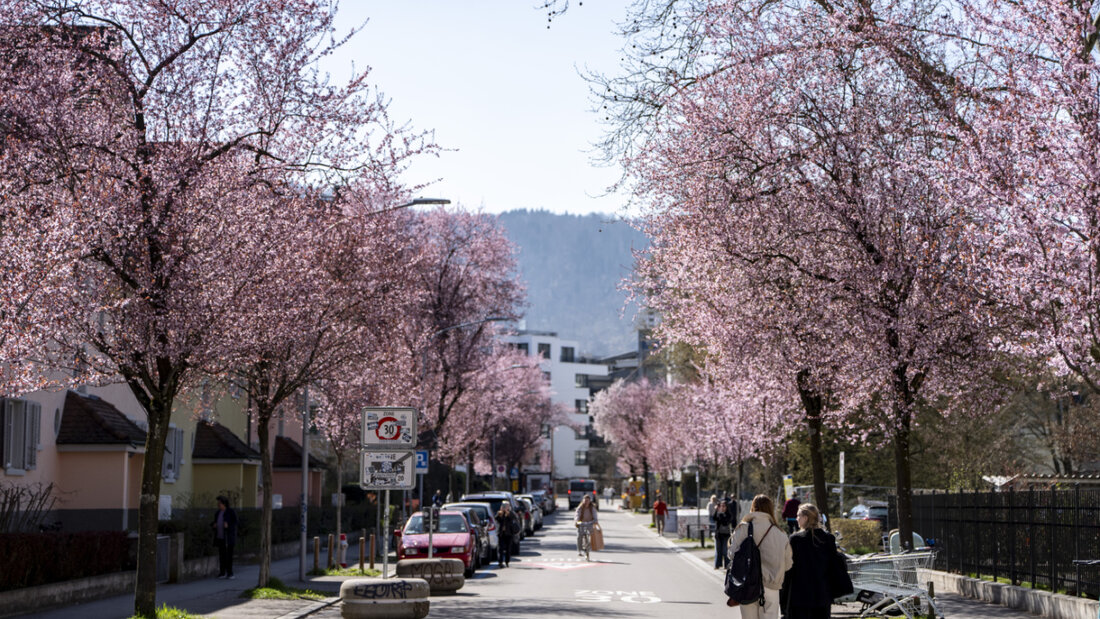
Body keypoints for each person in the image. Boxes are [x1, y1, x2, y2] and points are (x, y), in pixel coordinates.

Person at [729, 494, 792, 619]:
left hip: (747, 584)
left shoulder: (744, 528)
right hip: (771, 586)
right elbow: (788, 564)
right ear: (770, 509)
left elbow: (732, 555)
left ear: (753, 507)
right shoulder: (780, 533)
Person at [780, 503, 839, 619]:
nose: (796, 518)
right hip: (823, 594)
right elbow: (834, 567)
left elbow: (789, 570)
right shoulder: (828, 539)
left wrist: (784, 596)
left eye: (798, 516)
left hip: (800, 596)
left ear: (805, 518)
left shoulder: (796, 539)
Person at [211, 495, 238, 579]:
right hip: (220, 537)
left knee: (229, 556)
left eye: (219, 503)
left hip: (228, 538)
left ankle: (230, 573)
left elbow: (235, 522)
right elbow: (214, 522)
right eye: (218, 503)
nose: (218, 505)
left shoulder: (230, 512)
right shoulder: (218, 513)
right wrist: (214, 525)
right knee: (222, 556)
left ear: (224, 504)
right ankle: (222, 572)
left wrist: (228, 525)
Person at [495, 503, 517, 567]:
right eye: (504, 507)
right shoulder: (499, 513)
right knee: (500, 548)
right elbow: (496, 519)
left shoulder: (511, 513)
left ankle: (507, 561)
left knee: (508, 548)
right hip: (501, 534)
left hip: (509, 534)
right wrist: (500, 514)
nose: (505, 508)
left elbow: (513, 518)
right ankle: (500, 562)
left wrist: (508, 514)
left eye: (507, 507)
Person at [713, 500, 733, 570]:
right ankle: (717, 565)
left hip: (726, 535)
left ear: (726, 507)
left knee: (725, 551)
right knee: (718, 551)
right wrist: (716, 511)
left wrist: (721, 514)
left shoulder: (728, 514)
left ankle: (727, 565)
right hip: (718, 535)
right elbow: (714, 518)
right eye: (721, 506)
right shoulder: (718, 513)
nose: (722, 508)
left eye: (724, 506)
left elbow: (725, 522)